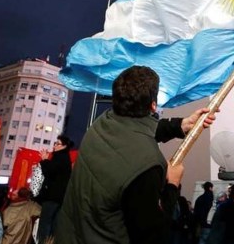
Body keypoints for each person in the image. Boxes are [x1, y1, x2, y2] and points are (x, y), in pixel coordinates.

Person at [56, 65, 216, 244]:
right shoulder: (148, 165)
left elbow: (138, 128)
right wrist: (172, 184)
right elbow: (153, 235)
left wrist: (182, 125)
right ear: (153, 105)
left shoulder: (102, 123)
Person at [35, 134, 73, 243]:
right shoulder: (64, 158)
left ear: (64, 146)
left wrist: (44, 160)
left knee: (45, 224)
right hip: (59, 198)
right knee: (53, 225)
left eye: (57, 144)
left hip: (52, 197)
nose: (54, 146)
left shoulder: (61, 157)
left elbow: (49, 172)